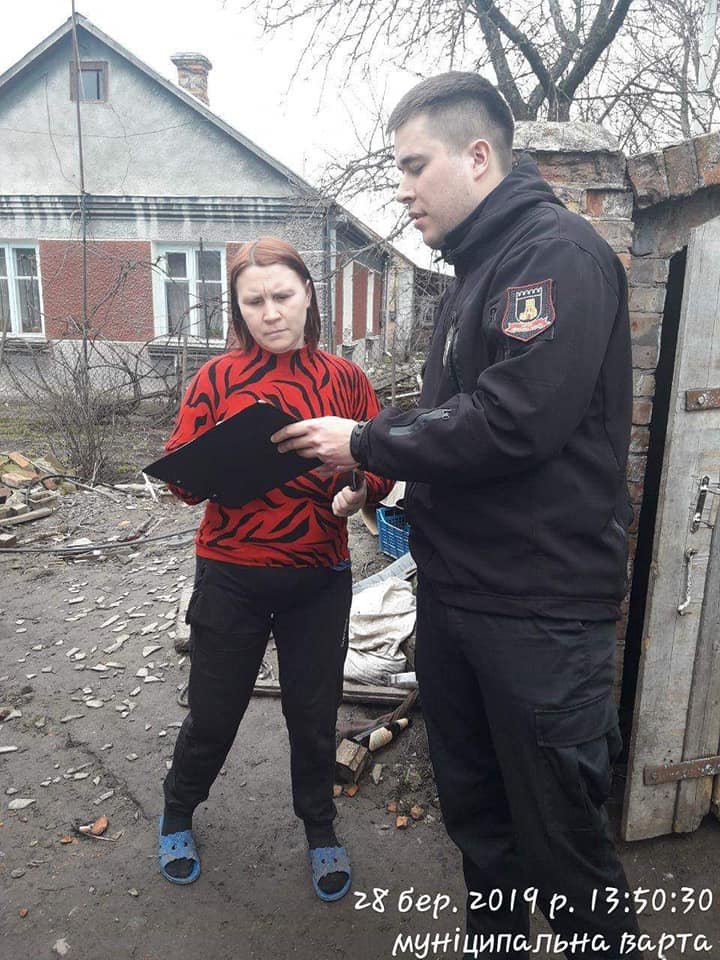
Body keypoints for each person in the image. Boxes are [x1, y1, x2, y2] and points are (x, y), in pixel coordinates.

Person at [272, 73, 644, 956]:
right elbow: (456, 425)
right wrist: (382, 475)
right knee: (482, 830)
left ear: (478, 156)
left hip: (539, 615)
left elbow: (514, 421)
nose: (401, 189)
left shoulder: (556, 256)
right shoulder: (477, 272)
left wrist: (366, 439)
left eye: (413, 166)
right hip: (460, 599)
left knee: (567, 856)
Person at [158, 236, 393, 900]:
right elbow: (181, 477)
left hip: (318, 577)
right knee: (214, 712)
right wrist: (193, 473)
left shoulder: (345, 380)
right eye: (253, 301)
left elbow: (379, 463)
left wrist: (359, 492)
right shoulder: (215, 380)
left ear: (308, 294)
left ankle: (319, 828)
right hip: (230, 573)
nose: (270, 313)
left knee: (313, 716)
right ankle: (177, 810)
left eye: (282, 296)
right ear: (236, 308)